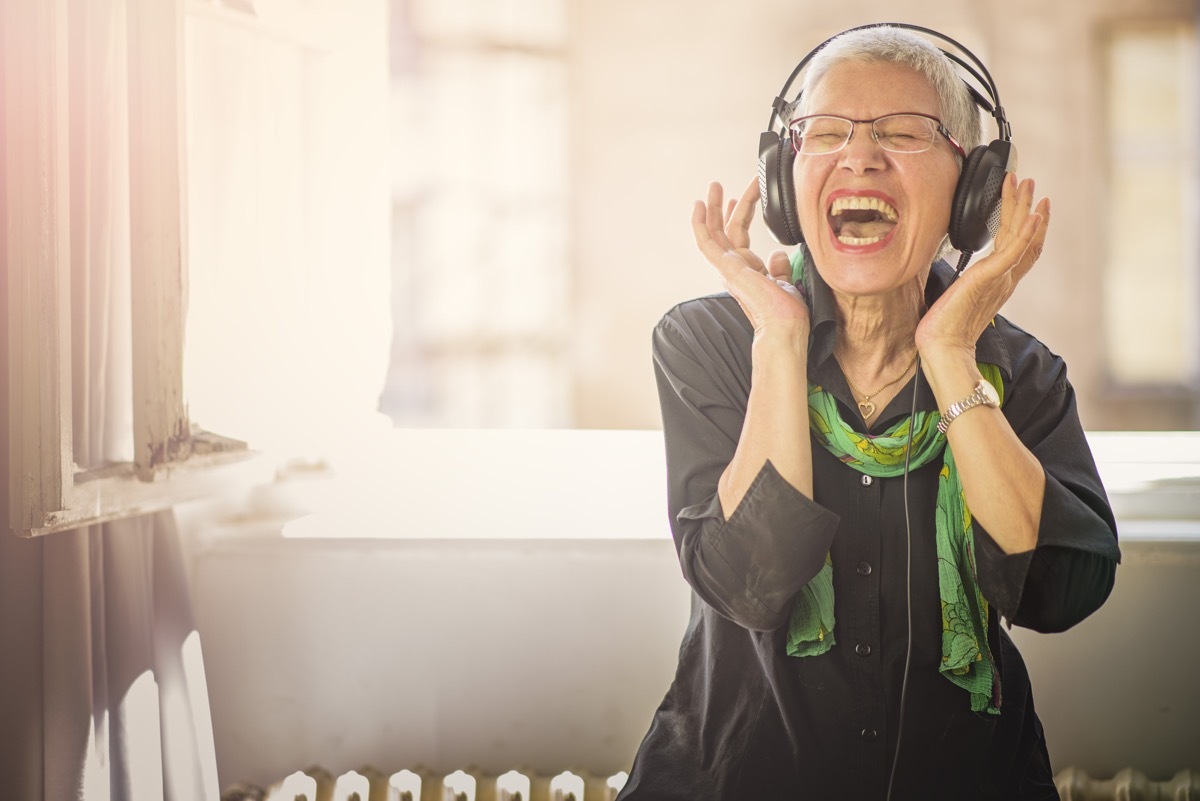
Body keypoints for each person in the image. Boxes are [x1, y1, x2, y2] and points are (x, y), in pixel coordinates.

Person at [617, 24, 1120, 801]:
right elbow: (751, 583)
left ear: (972, 186)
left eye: (904, 132)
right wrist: (780, 338)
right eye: (826, 132)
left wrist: (951, 350)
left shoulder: (1018, 374)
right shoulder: (709, 343)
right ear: (787, 180)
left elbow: (1060, 590)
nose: (860, 155)